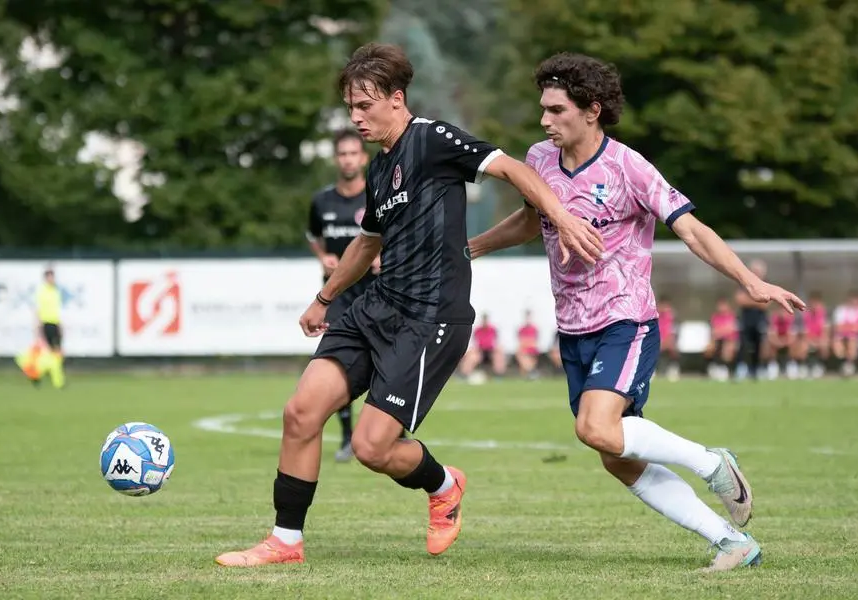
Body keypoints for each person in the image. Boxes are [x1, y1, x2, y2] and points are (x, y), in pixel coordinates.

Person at [215, 43, 603, 568]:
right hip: (374, 308)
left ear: (396, 99)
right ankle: (285, 542)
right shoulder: (379, 171)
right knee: (300, 412)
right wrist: (324, 298)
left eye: (364, 105)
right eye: (350, 108)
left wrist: (563, 216)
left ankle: (445, 485)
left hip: (430, 318)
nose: (355, 118)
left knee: (374, 449)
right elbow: (367, 244)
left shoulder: (433, 138)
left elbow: (512, 168)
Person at [467, 52, 804, 572]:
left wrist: (749, 280)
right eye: (543, 109)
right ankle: (732, 543)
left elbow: (690, 228)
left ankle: (713, 463)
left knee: (596, 429)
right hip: (573, 327)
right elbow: (531, 221)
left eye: (556, 110)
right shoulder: (537, 159)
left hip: (626, 321)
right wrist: (471, 248)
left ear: (591, 110)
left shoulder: (628, 167)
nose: (544, 121)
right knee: (616, 456)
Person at [306, 129, 380, 462]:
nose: (348, 159)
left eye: (354, 153)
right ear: (336, 159)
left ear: (363, 158)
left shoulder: (377, 195)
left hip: (377, 291)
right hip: (340, 295)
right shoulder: (322, 201)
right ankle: (348, 437)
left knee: (383, 361)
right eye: (342, 154)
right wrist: (323, 258)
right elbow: (313, 236)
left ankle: (389, 430)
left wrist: (382, 256)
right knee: (337, 360)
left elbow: (394, 234)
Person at [734, 260, 771, 381]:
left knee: (758, 345)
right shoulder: (743, 284)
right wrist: (757, 300)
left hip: (759, 319)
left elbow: (765, 305)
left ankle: (754, 370)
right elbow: (740, 300)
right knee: (743, 344)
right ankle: (740, 368)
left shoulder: (766, 284)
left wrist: (750, 300)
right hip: (746, 319)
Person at [35, 268, 65, 389]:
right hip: (45, 324)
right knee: (49, 353)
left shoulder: (56, 292)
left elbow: (58, 311)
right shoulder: (42, 292)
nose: (51, 279)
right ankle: (56, 380)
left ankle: (56, 380)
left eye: (53, 277)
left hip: (55, 323)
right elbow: (38, 310)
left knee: (57, 353)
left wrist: (60, 325)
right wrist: (38, 326)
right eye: (49, 277)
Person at [831, 289, 858, 377]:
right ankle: (845, 364)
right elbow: (838, 327)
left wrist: (850, 328)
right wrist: (853, 327)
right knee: (838, 344)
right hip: (842, 336)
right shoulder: (841, 310)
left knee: (852, 341)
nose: (854, 302)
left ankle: (848, 365)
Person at [459, 313, 507, 380]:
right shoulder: (477, 330)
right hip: (480, 351)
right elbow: (473, 342)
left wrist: (498, 348)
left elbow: (497, 341)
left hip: (491, 351)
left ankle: (499, 376)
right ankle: (464, 375)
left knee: (498, 356)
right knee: (471, 357)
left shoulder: (493, 329)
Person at [705, 296, 739, 381]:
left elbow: (731, 330)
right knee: (709, 348)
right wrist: (723, 331)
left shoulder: (732, 316)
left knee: (727, 348)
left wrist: (721, 331)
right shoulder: (715, 317)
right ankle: (713, 368)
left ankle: (727, 370)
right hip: (718, 340)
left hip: (730, 340)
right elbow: (714, 332)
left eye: (723, 305)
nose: (721, 307)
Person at [801, 291, 830, 379]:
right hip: (808, 339)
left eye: (816, 303)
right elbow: (804, 332)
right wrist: (810, 340)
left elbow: (826, 331)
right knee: (803, 345)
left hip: (819, 339)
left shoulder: (824, 314)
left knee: (824, 344)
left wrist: (818, 340)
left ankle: (819, 366)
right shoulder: (805, 315)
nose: (814, 305)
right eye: (812, 303)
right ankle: (803, 366)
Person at [656, 296, 680, 381]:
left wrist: (666, 341)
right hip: (657, 341)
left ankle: (673, 368)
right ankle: (652, 370)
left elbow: (673, 333)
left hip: (668, 341)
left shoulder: (672, 318)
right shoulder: (655, 317)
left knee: (672, 345)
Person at [515, 310, 541, 379]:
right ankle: (531, 372)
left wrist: (526, 342)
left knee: (524, 356)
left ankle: (530, 373)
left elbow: (534, 343)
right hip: (524, 351)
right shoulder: (521, 329)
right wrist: (528, 342)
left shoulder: (535, 328)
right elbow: (521, 342)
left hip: (532, 351)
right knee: (521, 354)